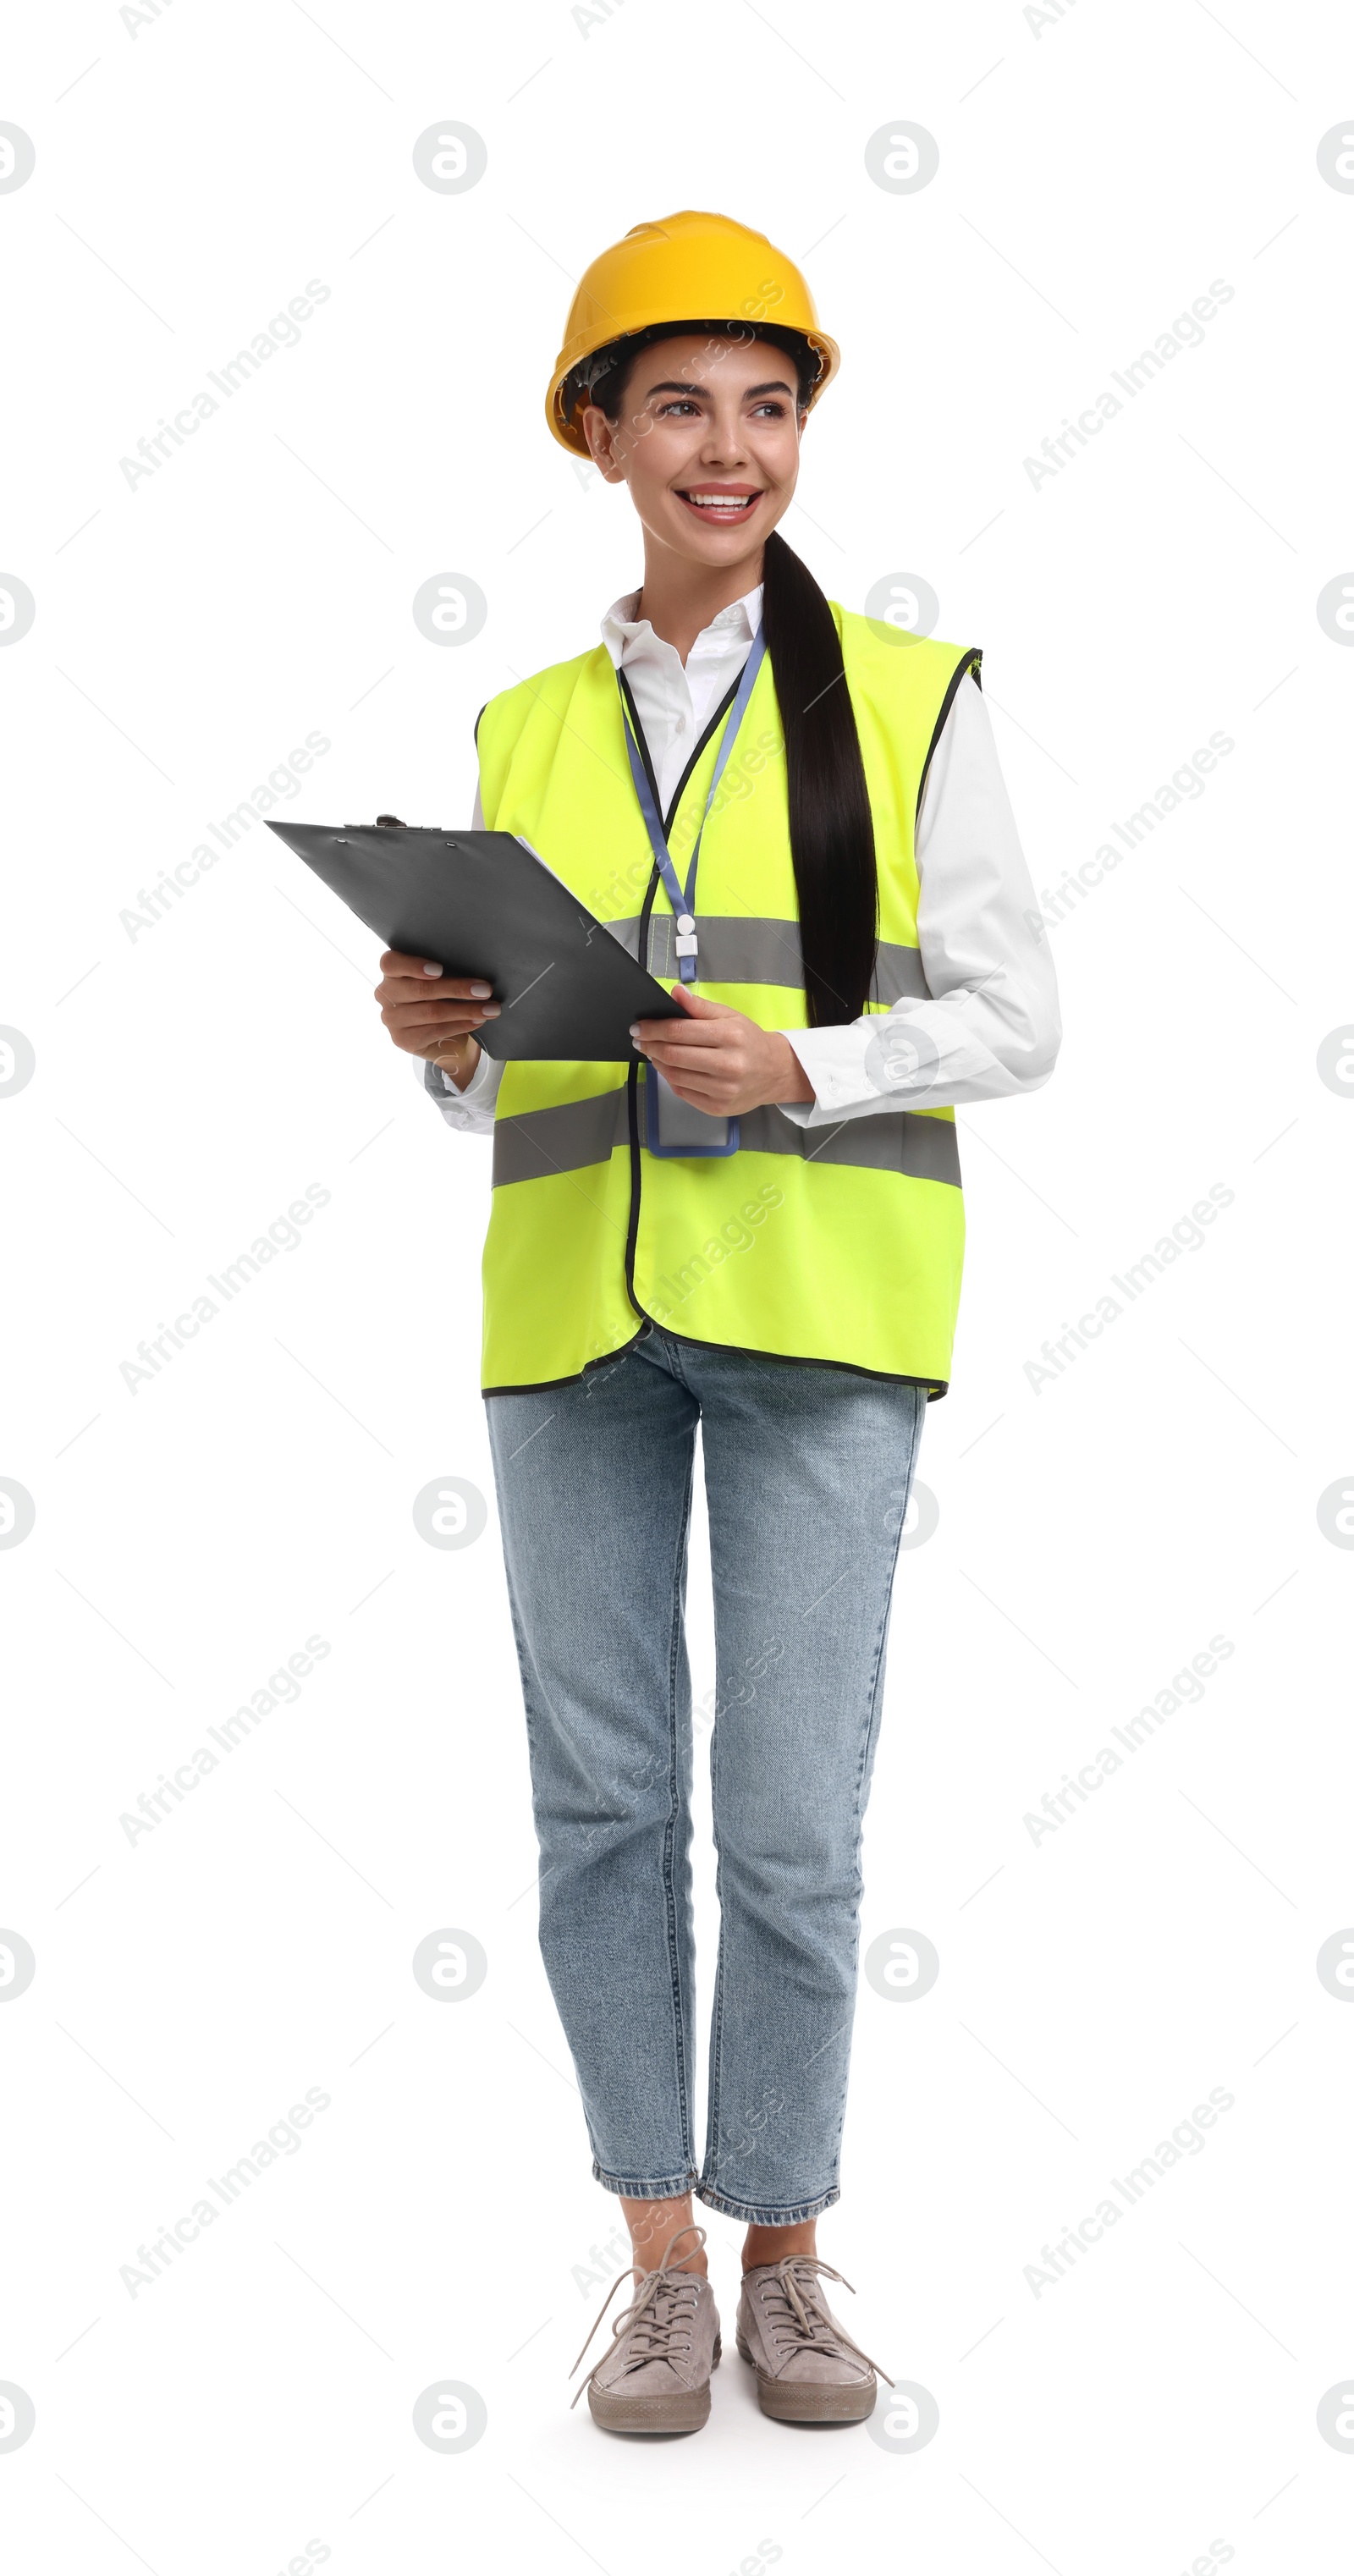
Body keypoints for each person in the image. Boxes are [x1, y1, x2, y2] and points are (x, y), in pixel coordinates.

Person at [374, 210, 1060, 2436]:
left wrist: (805, 1064)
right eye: (680, 402)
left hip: (820, 1311)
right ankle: (655, 2252)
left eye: (768, 405)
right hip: (574, 1309)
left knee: (787, 1821)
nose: (731, 445)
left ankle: (786, 2250)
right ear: (599, 437)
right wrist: (433, 1028)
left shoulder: (909, 697)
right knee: (599, 1807)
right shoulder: (521, 717)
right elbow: (493, 1057)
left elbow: (1015, 1015)